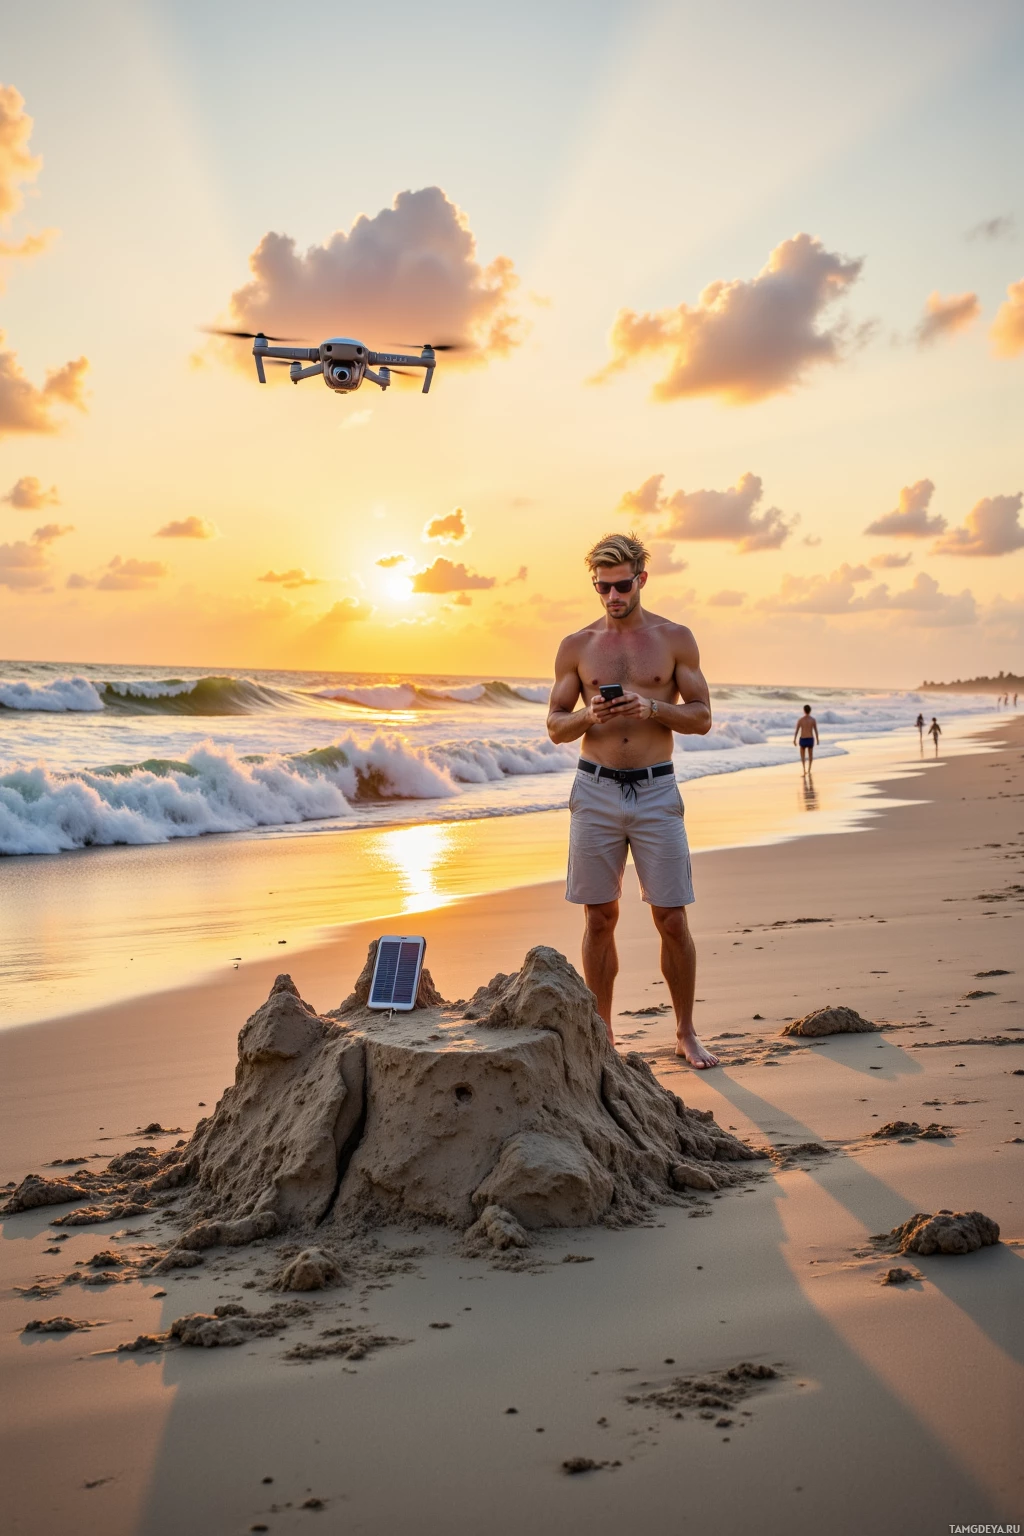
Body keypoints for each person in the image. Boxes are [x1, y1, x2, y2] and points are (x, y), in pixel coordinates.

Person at [546, 532, 718, 1068]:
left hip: (656, 788)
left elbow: (703, 717)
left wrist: (652, 709)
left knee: (671, 916)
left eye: (621, 586)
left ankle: (686, 1031)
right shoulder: (577, 646)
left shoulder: (674, 639)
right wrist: (587, 716)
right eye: (603, 587)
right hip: (594, 789)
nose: (613, 596)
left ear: (641, 578)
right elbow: (555, 727)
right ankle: (603, 1035)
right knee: (599, 917)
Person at [793, 704, 819, 772]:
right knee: (810, 755)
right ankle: (809, 769)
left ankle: (804, 769)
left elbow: (797, 731)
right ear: (810, 711)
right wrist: (817, 739)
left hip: (803, 739)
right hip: (810, 739)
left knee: (803, 756)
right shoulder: (813, 720)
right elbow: (816, 730)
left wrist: (794, 739)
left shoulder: (801, 720)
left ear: (804, 711)